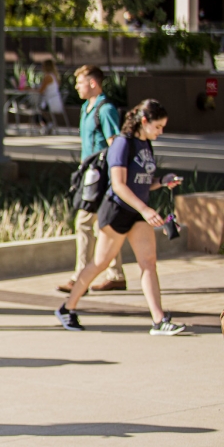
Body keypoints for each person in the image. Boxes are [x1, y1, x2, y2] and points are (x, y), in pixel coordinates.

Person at [58, 100, 185, 335]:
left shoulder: (145, 144)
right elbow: (118, 185)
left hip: (137, 211)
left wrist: (163, 181)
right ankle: (67, 308)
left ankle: (159, 320)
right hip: (116, 211)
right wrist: (146, 210)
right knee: (100, 263)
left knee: (148, 262)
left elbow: (144, 182)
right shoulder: (122, 144)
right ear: (144, 121)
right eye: (158, 126)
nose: (161, 132)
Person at [57, 65, 127, 293]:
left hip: (101, 177)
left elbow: (115, 144)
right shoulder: (86, 107)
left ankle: (80, 277)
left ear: (93, 83)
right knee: (103, 225)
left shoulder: (105, 110)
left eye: (80, 82)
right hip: (89, 175)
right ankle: (115, 274)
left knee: (84, 223)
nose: (77, 87)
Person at [38, 59, 64, 130]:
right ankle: (47, 124)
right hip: (54, 101)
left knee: (36, 108)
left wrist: (28, 89)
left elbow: (40, 90)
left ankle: (46, 125)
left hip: (50, 102)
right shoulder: (55, 76)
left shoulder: (48, 77)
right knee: (39, 108)